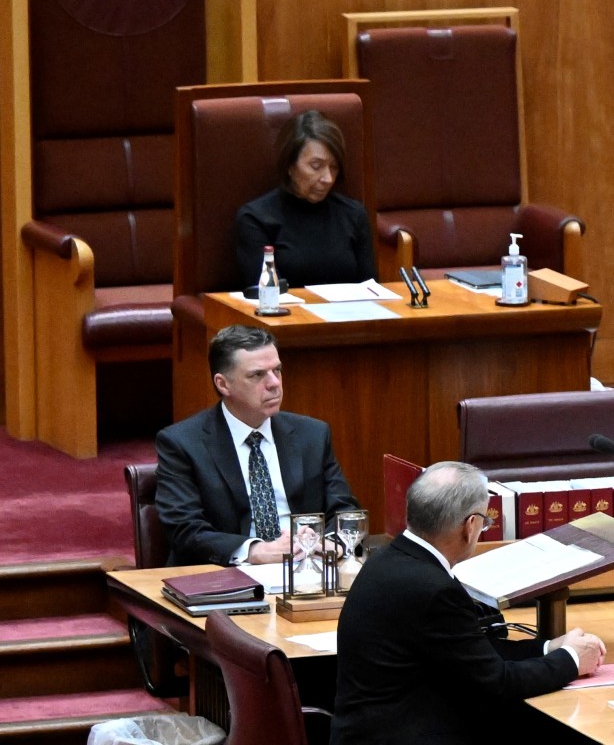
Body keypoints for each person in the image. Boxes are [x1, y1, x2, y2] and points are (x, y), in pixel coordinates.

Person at [330, 461, 606, 745]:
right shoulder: (433, 589)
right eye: (485, 521)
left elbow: (470, 650)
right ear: (470, 525)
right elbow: (498, 683)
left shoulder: (387, 560)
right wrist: (572, 660)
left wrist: (550, 647)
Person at [155, 324, 359, 566]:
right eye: (257, 375)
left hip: (307, 568)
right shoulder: (181, 443)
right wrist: (254, 551)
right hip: (228, 575)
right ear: (223, 385)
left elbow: (345, 511)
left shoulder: (312, 434)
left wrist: (331, 543)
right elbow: (184, 529)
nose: (274, 383)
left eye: (277, 370)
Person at [235, 109, 377, 288]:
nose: (328, 178)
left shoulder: (354, 214)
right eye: (316, 166)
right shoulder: (255, 219)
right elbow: (266, 295)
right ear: (290, 165)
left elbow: (372, 290)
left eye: (333, 167)